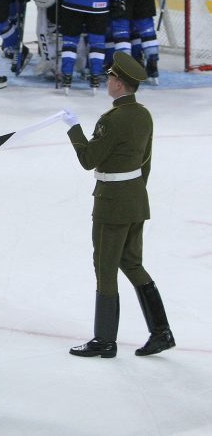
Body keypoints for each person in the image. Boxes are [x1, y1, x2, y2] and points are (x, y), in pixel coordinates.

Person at [60, 52, 175, 359]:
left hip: (112, 203)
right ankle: (161, 332)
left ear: (119, 84)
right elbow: (146, 161)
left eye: (111, 77)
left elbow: (88, 160)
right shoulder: (142, 115)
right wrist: (135, 192)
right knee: (132, 263)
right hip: (136, 198)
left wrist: (73, 129)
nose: (108, 81)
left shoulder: (112, 120)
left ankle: (104, 339)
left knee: (105, 267)